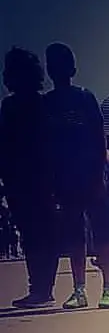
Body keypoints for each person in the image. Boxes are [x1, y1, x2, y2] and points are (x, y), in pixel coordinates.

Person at [41, 42, 109, 309]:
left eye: (62, 64)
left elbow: (99, 135)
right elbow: (45, 143)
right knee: (74, 234)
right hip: (64, 176)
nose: (57, 69)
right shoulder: (47, 104)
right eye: (52, 64)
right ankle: (79, 290)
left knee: (104, 231)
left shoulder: (85, 97)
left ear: (72, 68)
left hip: (91, 173)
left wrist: (99, 172)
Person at [0, 47, 59, 308]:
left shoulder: (11, 106)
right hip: (39, 178)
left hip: (22, 179)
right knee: (42, 233)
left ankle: (40, 290)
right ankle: (43, 289)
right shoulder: (43, 104)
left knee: (32, 233)